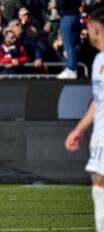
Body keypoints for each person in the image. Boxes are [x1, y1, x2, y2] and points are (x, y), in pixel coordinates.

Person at [63, 4, 104, 232]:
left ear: (96, 30)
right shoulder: (99, 61)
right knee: (98, 183)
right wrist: (79, 129)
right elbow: (98, 100)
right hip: (99, 134)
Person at [55, 0, 82, 79]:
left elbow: (61, 4)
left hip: (67, 16)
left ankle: (71, 69)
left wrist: (56, 4)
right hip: (75, 16)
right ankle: (73, 68)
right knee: (72, 44)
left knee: (67, 44)